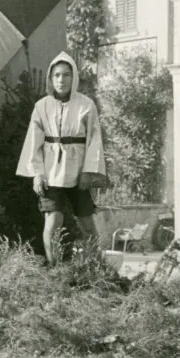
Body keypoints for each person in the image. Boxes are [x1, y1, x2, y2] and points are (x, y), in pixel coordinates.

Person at [16, 52, 106, 264]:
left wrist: (88, 171)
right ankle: (55, 270)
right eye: (56, 75)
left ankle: (96, 266)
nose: (61, 80)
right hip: (52, 172)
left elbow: (94, 139)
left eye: (66, 75)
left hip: (78, 170)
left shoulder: (86, 105)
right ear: (51, 78)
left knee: (87, 223)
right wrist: (37, 174)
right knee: (53, 221)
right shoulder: (42, 106)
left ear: (73, 77)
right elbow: (33, 143)